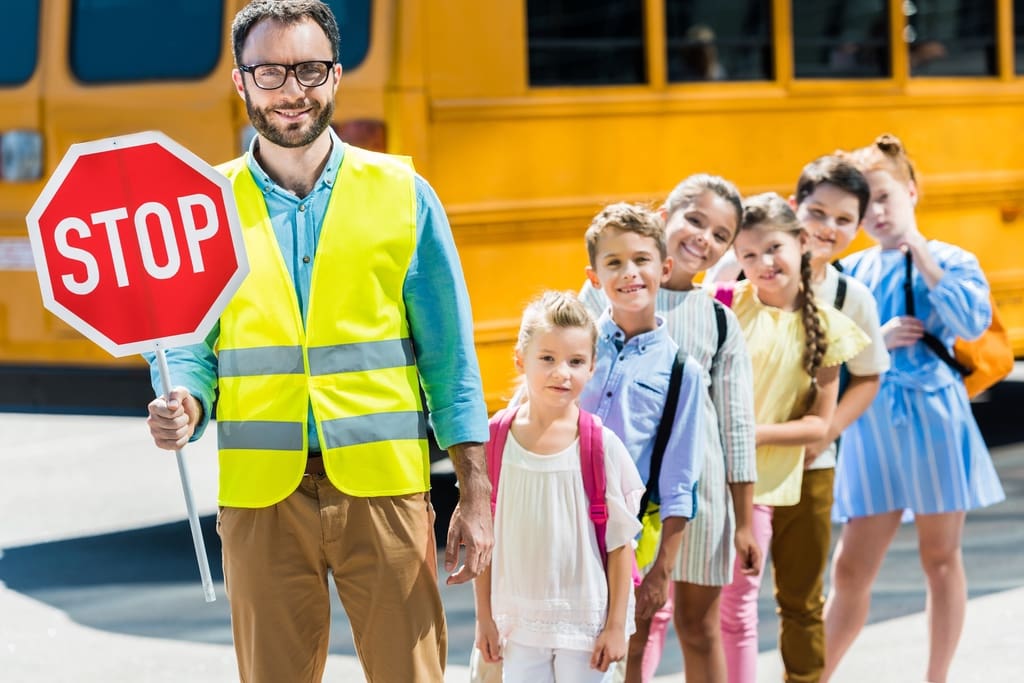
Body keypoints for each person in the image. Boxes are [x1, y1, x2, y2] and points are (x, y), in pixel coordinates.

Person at [143, 2, 492, 681]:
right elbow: (189, 341)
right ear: (241, 83)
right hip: (262, 495)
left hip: (384, 489)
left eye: (307, 69)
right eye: (270, 72)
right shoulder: (203, 202)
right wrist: (182, 397)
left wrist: (476, 497)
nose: (291, 91)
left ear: (334, 77)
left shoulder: (404, 195)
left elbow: (452, 363)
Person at [823, 134, 1006, 683]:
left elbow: (971, 322)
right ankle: (812, 676)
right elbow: (827, 349)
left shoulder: (954, 259)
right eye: (864, 204)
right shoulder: (849, 272)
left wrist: (918, 251)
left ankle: (936, 677)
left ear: (911, 191)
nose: (875, 213)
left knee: (940, 558)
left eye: (884, 198)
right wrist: (876, 337)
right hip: (871, 423)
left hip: (935, 417)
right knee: (850, 567)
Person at [580, 175, 759, 683]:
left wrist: (744, 521)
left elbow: (737, 426)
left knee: (698, 628)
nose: (704, 237)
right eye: (695, 220)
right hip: (624, 498)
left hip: (698, 499)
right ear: (666, 220)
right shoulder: (605, 296)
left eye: (721, 235)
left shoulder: (719, 321)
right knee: (632, 629)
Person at [717, 193, 868, 683]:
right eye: (748, 254)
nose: (763, 263)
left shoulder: (828, 325)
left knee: (800, 602)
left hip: (796, 477)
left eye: (774, 249)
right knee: (728, 607)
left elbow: (820, 426)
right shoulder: (723, 307)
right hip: (728, 485)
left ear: (802, 243)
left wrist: (744, 434)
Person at [474, 291, 645, 682]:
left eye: (575, 361)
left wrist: (616, 626)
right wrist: (485, 617)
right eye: (547, 358)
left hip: (585, 625)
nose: (561, 372)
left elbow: (620, 547)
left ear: (591, 366)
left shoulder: (600, 445)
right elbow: (483, 542)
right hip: (517, 624)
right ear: (521, 357)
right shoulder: (493, 441)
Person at [767, 156, 889, 683]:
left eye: (844, 220)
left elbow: (869, 376)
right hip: (740, 460)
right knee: (730, 597)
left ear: (858, 227)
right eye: (817, 212)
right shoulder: (752, 272)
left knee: (802, 599)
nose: (828, 228)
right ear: (794, 209)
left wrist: (829, 431)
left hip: (811, 464)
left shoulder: (849, 295)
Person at [578, 202, 707, 683]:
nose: (629, 273)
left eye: (641, 260)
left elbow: (679, 482)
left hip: (625, 538)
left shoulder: (681, 373)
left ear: (665, 268)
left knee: (620, 659)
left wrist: (661, 571)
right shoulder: (576, 348)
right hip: (560, 521)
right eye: (614, 263)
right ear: (594, 277)